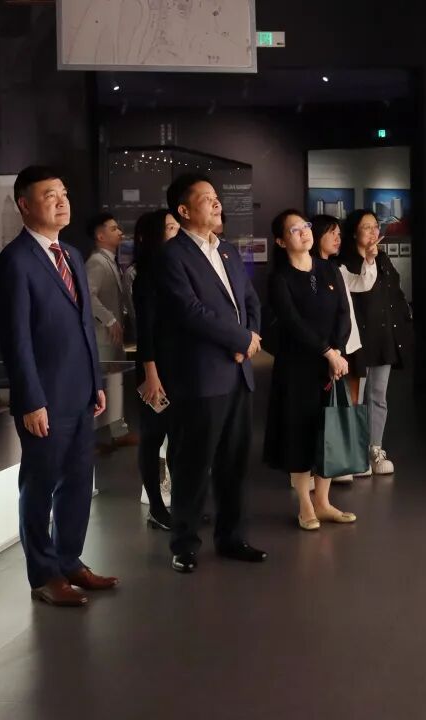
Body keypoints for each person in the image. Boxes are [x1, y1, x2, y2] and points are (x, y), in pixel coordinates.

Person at [0, 165, 118, 607]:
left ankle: (69, 560)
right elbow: (16, 340)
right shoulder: (14, 262)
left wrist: (96, 381)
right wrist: (30, 400)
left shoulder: (72, 255)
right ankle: (44, 574)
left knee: (79, 481)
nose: (62, 201)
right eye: (50, 195)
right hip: (44, 398)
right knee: (40, 486)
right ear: (24, 205)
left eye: (63, 193)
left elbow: (84, 326)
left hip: (80, 392)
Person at [154, 174, 266, 574]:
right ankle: (184, 544)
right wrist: (240, 339)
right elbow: (190, 312)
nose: (217, 203)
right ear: (184, 210)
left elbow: (250, 300)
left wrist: (250, 338)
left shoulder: (228, 251)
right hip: (201, 377)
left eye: (216, 197)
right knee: (192, 465)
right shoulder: (172, 256)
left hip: (237, 374)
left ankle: (232, 538)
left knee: (235, 464)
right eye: (207, 199)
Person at [263, 210, 357, 530]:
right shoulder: (280, 278)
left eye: (305, 226)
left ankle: (324, 502)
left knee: (327, 432)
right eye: (294, 230)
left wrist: (337, 352)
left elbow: (343, 313)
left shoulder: (329, 269)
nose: (304, 232)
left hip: (330, 367)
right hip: (297, 367)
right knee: (299, 433)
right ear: (280, 241)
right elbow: (292, 322)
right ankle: (306, 504)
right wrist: (328, 352)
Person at [340, 210, 411, 477]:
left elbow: (394, 293)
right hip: (357, 340)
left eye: (375, 226)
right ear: (354, 232)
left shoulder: (383, 258)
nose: (373, 231)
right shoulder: (343, 262)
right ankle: (354, 452)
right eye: (366, 227)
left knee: (379, 397)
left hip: (383, 338)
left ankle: (375, 448)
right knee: (355, 398)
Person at [310, 214, 377, 483]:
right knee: (322, 405)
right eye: (332, 233)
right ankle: (318, 464)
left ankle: (344, 458)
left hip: (348, 345)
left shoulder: (336, 268)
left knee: (349, 403)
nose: (338, 238)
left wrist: (369, 259)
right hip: (326, 349)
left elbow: (363, 283)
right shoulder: (308, 269)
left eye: (339, 233)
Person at [131, 208, 175, 530]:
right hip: (155, 370)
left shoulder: (177, 270)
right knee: (153, 436)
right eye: (170, 228)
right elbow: (145, 331)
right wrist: (151, 373)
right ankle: (156, 507)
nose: (178, 232)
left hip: (179, 367)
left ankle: (179, 503)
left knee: (177, 437)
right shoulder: (146, 276)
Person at [85, 212, 137, 450]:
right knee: (100, 387)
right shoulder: (96, 262)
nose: (120, 233)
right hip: (101, 338)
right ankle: (92, 438)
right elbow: (87, 296)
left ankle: (118, 432)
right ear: (100, 235)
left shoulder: (109, 261)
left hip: (111, 339)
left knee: (114, 385)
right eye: (114, 228)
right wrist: (109, 319)